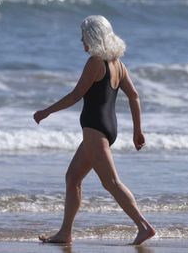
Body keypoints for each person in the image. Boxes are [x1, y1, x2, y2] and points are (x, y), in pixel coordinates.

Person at [33, 15, 155, 245]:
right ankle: (65, 233)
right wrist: (137, 131)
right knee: (73, 177)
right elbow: (134, 96)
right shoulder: (117, 63)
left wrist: (46, 111)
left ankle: (144, 226)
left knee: (111, 183)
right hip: (107, 128)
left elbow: (76, 94)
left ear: (93, 37)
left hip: (95, 129)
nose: (81, 40)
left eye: (84, 36)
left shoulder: (96, 62)